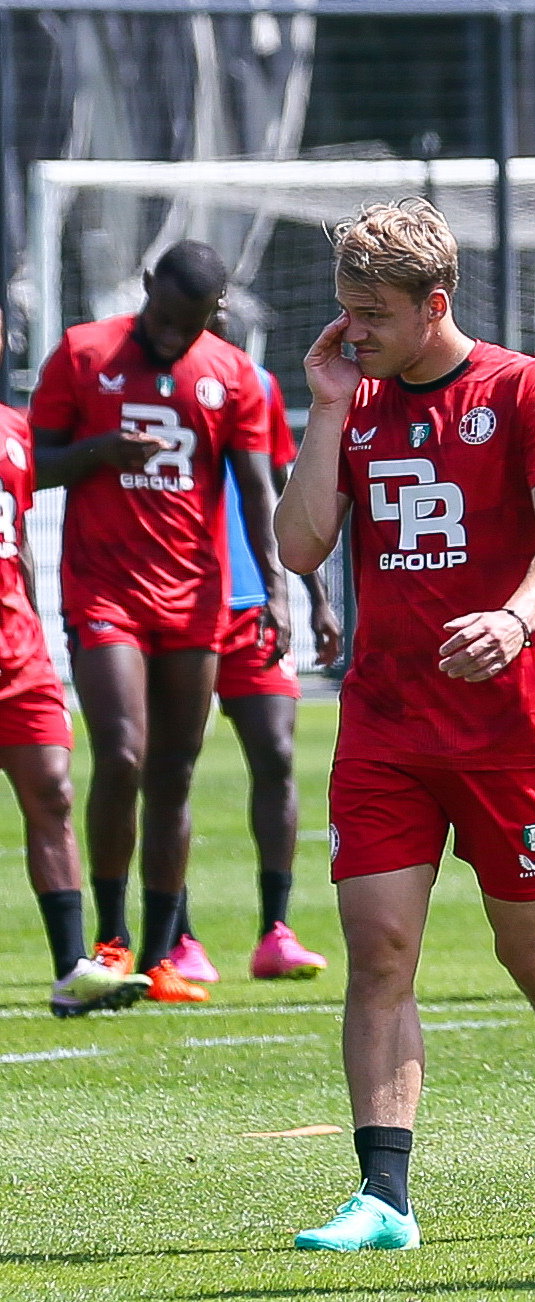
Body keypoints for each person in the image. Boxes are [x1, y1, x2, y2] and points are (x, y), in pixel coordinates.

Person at [276, 198, 535, 1251]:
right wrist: (329, 406)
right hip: (384, 730)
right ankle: (383, 1195)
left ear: (436, 305)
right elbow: (300, 548)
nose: (356, 331)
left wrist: (518, 618)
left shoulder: (524, 386)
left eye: (374, 313)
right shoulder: (360, 399)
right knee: (378, 952)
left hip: (510, 732)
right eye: (345, 310)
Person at [29, 241, 286, 1004]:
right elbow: (32, 464)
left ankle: (165, 949)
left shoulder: (232, 373)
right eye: (169, 319)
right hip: (105, 592)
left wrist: (277, 589)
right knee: (124, 755)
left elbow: (256, 489)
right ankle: (109, 941)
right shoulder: (82, 353)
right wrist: (101, 452)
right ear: (147, 289)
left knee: (175, 773)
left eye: (195, 323)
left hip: (195, 597)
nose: (177, 337)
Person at [172, 327, 339, 984]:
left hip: (251, 604)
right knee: (171, 770)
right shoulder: (138, 383)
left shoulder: (256, 385)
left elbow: (278, 487)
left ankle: (276, 929)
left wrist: (314, 595)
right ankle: (176, 935)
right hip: (179, 604)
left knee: (275, 755)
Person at [1, 389, 153, 1016]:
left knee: (54, 791)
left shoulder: (13, 427)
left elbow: (19, 539)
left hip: (17, 649)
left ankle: (71, 972)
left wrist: (34, 627)